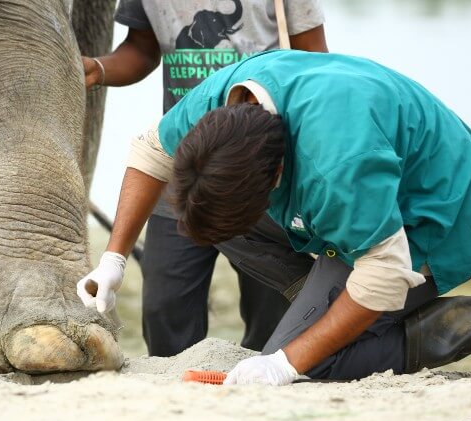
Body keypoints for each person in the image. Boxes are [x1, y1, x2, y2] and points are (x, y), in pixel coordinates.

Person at [77, 50, 471, 384]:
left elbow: (385, 272)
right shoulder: (226, 101)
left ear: (280, 176)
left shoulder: (339, 166)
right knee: (201, 205)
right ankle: (321, 296)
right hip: (357, 204)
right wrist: (113, 259)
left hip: (434, 216)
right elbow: (150, 149)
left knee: (314, 363)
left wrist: (286, 363)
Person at [82, 0, 328, 357]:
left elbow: (316, 68)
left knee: (274, 308)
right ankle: (179, 389)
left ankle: (264, 374)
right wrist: (97, 69)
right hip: (183, 166)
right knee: (164, 305)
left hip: (258, 172)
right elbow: (140, 50)